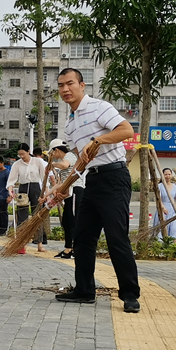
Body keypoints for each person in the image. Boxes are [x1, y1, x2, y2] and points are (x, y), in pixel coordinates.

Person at [52, 68, 141, 313]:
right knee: (82, 238)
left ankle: (130, 295)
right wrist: (65, 186)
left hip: (114, 177)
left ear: (82, 85)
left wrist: (98, 140)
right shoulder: (70, 124)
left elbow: (126, 131)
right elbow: (81, 161)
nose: (65, 89)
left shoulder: (99, 107)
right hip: (91, 180)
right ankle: (84, 290)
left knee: (116, 238)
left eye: (70, 83)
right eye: (61, 85)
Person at [6, 142, 48, 252]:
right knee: (22, 216)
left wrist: (46, 193)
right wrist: (10, 191)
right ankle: (21, 243)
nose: (21, 156)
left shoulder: (37, 161)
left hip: (36, 188)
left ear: (29, 152)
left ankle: (39, 243)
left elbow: (44, 178)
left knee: (37, 216)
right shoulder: (17, 164)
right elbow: (11, 180)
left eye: (23, 154)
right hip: (23, 188)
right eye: (19, 154)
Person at [47, 138, 83, 258]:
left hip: (75, 191)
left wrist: (52, 165)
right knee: (67, 221)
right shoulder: (62, 163)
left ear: (56, 150)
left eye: (52, 152)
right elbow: (59, 184)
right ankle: (68, 248)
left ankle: (75, 249)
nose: (53, 155)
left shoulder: (69, 156)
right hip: (68, 194)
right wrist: (46, 196)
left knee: (73, 221)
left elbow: (64, 165)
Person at [153, 168, 176, 242]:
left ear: (171, 175)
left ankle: (175, 248)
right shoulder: (160, 186)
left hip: (173, 210)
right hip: (163, 210)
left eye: (169, 174)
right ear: (162, 175)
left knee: (175, 230)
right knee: (161, 231)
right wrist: (163, 207)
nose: (167, 176)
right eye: (165, 174)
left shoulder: (174, 186)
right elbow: (159, 199)